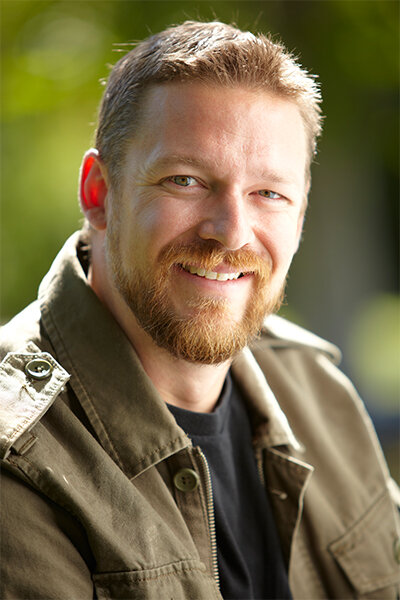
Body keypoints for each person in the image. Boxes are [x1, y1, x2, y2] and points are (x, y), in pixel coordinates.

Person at [0, 20, 399, 600]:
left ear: (301, 212)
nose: (232, 233)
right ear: (99, 194)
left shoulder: (321, 393)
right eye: (185, 180)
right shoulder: (19, 455)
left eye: (269, 193)